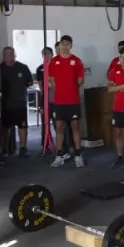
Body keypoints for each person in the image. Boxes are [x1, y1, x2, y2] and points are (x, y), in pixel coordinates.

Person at [48, 35, 86, 168]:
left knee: (75, 127)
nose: (64, 47)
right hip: (59, 101)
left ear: (71, 45)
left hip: (73, 101)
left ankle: (77, 155)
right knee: (59, 128)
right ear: (60, 46)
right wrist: (57, 87)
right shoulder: (54, 61)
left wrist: (77, 82)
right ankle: (59, 155)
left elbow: (80, 80)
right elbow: (51, 79)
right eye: (62, 44)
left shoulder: (77, 61)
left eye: (67, 44)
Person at [0, 46, 33, 157]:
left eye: (11, 54)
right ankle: (4, 149)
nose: (8, 56)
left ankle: (23, 148)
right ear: (3, 56)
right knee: (5, 127)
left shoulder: (23, 67)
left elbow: (30, 82)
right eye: (6, 54)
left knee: (22, 126)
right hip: (5, 103)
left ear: (14, 55)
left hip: (20, 102)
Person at [34, 47, 55, 154]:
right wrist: (43, 102)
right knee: (45, 122)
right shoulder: (40, 69)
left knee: (58, 122)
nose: (46, 56)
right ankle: (45, 144)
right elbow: (41, 87)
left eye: (48, 54)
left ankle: (64, 145)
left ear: (52, 54)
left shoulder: (56, 66)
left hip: (56, 99)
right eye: (44, 54)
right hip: (46, 99)